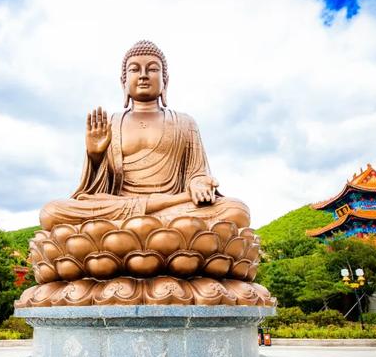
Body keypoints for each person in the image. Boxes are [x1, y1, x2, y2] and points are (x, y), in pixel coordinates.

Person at [40, 40, 250, 230]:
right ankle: (159, 225)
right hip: (122, 206)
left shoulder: (185, 122)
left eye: (152, 69)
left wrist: (199, 184)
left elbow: (197, 173)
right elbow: (95, 191)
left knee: (236, 210)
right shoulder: (111, 124)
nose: (143, 75)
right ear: (123, 82)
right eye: (134, 69)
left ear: (165, 81)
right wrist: (95, 156)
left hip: (171, 207)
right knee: (51, 212)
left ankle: (135, 227)